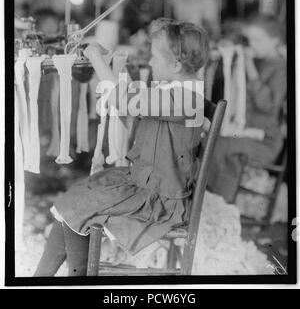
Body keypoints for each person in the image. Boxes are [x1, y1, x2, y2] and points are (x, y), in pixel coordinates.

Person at [34, 18, 208, 276]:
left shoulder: (185, 99)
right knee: (73, 199)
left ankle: (77, 277)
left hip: (159, 198)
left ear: (175, 65)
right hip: (146, 181)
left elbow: (125, 101)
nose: (149, 63)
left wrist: (96, 58)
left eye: (154, 59)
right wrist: (111, 69)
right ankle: (41, 278)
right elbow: (136, 122)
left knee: (79, 207)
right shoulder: (175, 90)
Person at [207, 15, 286, 203]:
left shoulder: (281, 68)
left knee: (224, 146)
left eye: (258, 40)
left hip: (265, 140)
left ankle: (221, 203)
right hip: (245, 131)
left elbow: (267, 105)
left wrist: (249, 68)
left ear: (275, 41)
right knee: (214, 140)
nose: (253, 45)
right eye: (249, 40)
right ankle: (210, 197)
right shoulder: (256, 60)